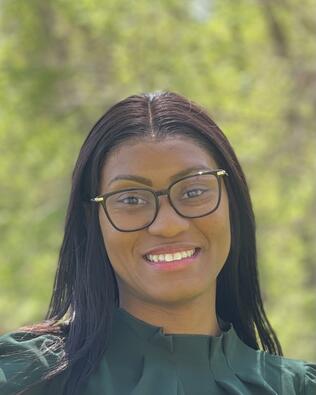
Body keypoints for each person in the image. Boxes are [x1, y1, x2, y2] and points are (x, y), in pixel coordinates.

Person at [0, 91, 315, 395]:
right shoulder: (25, 378)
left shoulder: (297, 388)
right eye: (132, 199)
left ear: (232, 202)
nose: (167, 225)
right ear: (93, 220)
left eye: (193, 192)